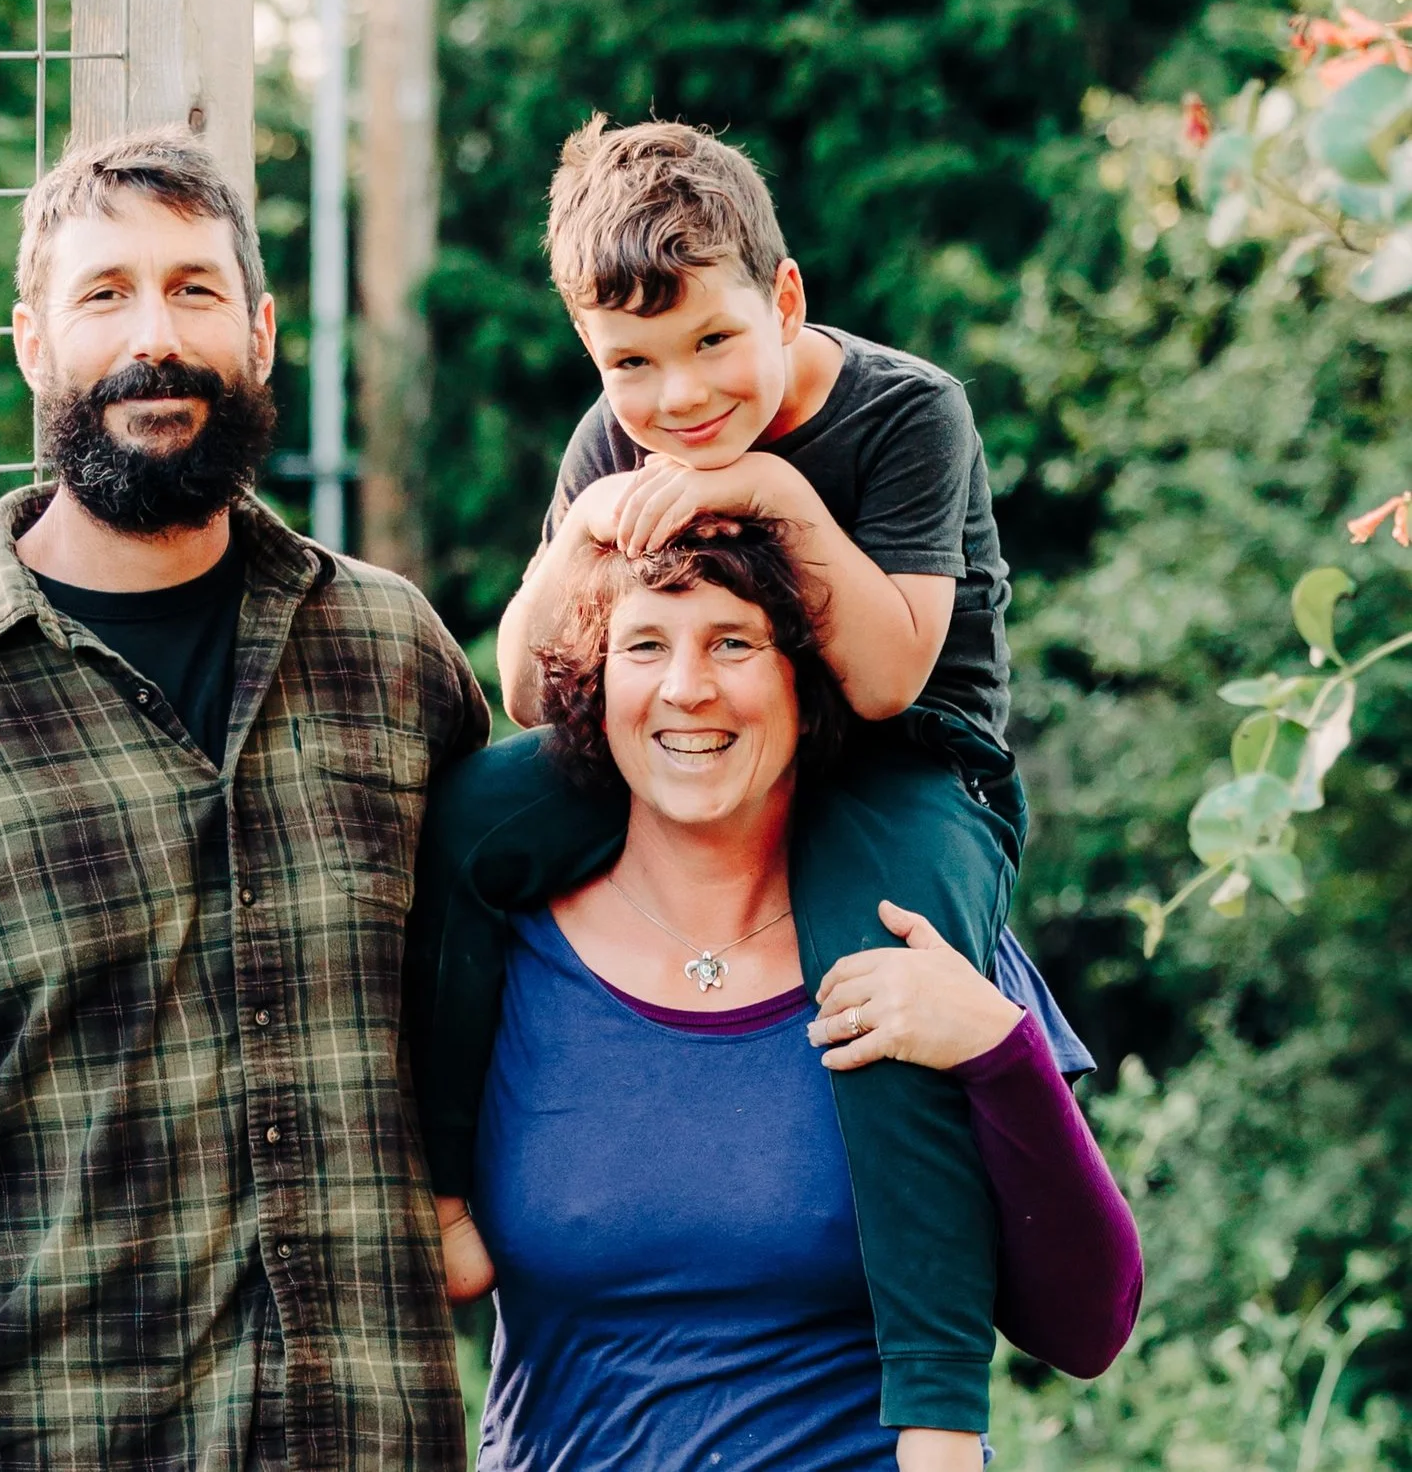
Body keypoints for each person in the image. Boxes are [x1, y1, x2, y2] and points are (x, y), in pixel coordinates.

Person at [0, 128, 492, 1472]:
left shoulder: (394, 660)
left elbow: (519, 996)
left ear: (260, 334)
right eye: (106, 295)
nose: (157, 337)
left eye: (196, 290)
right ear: (33, 342)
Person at [412, 116, 1029, 1439]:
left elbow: (887, 678)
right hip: (703, 738)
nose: (680, 398)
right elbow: (527, 689)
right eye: (631, 363)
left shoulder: (906, 413)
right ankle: (450, 1191)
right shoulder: (610, 442)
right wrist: (577, 539)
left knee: (878, 963)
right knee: (472, 815)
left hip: (908, 769)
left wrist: (774, 497)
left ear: (785, 297)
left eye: (711, 343)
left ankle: (935, 1402)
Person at [472, 514, 1140, 1472]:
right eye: (645, 645)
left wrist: (1001, 1049)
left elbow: (1090, 1327)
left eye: (734, 643)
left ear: (805, 680)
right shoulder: (506, 949)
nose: (687, 687)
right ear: (595, 687)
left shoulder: (916, 937)